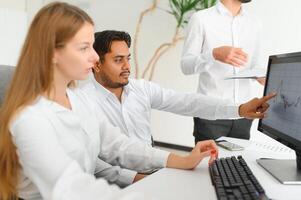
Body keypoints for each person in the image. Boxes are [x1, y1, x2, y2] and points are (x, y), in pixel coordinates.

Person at [0, 2, 220, 200]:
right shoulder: (29, 119)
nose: (95, 57)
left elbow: (119, 146)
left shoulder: (77, 101)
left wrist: (181, 160)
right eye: (84, 47)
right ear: (52, 53)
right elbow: (71, 187)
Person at [83, 30, 274, 147]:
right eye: (118, 60)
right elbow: (97, 162)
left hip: (152, 169)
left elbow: (188, 102)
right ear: (96, 64)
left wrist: (239, 109)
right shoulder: (81, 102)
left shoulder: (141, 89)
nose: (127, 66)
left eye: (128, 58)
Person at [181, 0, 266, 143]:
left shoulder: (254, 23)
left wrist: (262, 76)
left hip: (243, 114)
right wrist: (213, 54)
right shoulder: (201, 19)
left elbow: (254, 65)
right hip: (211, 114)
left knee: (237, 165)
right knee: (208, 165)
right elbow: (185, 66)